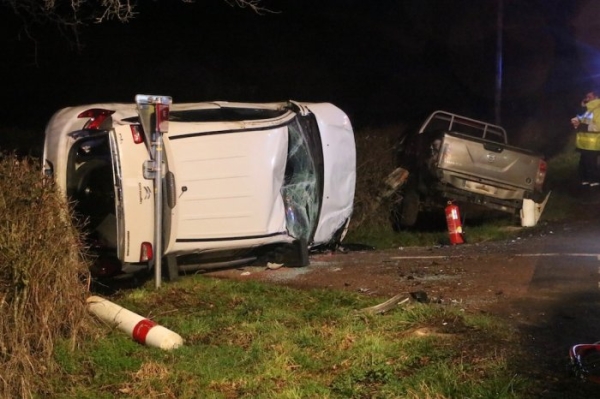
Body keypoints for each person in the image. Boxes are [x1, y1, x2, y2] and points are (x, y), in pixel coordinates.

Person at [571, 90, 600, 186]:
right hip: (584, 144)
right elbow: (580, 119)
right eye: (586, 97)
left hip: (593, 145)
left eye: (589, 97)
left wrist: (581, 126)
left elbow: (598, 126)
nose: (587, 99)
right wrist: (576, 120)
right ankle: (585, 181)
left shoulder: (598, 108)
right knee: (583, 164)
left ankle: (594, 183)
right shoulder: (588, 109)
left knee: (591, 164)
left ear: (596, 97)